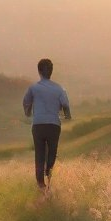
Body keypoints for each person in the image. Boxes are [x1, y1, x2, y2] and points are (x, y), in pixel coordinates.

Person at [22, 58, 71, 193]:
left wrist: (28, 112)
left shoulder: (33, 88)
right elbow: (66, 105)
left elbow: (26, 102)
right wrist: (67, 115)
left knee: (39, 154)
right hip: (54, 125)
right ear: (51, 71)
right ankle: (48, 176)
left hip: (38, 125)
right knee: (52, 152)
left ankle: (41, 185)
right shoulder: (59, 88)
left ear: (39, 71)